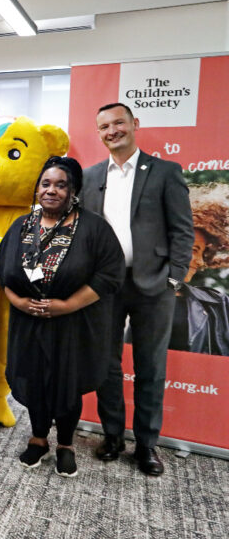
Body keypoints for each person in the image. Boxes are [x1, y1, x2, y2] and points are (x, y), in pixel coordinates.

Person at [81, 102, 194, 476]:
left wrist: (175, 279)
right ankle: (113, 435)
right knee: (106, 365)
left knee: (150, 366)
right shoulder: (91, 175)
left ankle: (146, 444)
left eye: (118, 123)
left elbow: (183, 231)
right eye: (104, 127)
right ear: (98, 133)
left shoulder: (165, 172)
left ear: (134, 124)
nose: (112, 131)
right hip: (105, 285)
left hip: (153, 285)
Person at [0, 157, 124, 477]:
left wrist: (66, 306)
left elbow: (109, 276)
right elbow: (2, 271)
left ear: (73, 191)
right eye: (46, 184)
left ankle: (65, 444)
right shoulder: (21, 226)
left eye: (60, 185)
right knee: (35, 381)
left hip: (73, 324)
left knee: (67, 384)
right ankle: (38, 439)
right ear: (38, 188)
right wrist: (18, 301)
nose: (51, 190)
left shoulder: (93, 227)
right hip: (28, 323)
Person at [168, 182, 229, 355]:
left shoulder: (219, 305)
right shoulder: (116, 291)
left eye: (202, 253)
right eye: (194, 250)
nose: (200, 262)